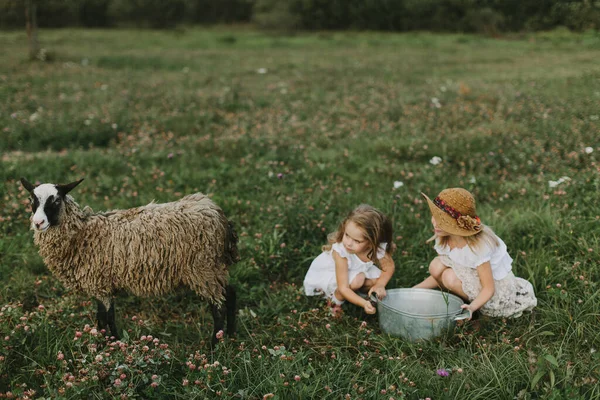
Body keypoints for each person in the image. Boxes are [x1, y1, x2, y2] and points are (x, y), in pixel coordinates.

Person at [414, 188, 537, 319]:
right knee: (437, 265)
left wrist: (472, 307)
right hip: (471, 274)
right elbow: (437, 275)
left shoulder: (477, 247)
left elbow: (489, 288)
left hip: (494, 288)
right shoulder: (443, 235)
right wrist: (415, 290)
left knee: (449, 277)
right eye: (435, 216)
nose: (436, 224)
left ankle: (480, 311)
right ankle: (459, 298)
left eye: (443, 222)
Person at [303, 204, 396, 315]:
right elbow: (343, 288)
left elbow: (389, 267)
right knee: (358, 280)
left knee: (376, 280)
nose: (348, 243)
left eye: (357, 241)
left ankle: (360, 293)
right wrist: (363, 304)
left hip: (355, 273)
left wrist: (380, 284)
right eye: (347, 235)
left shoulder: (377, 248)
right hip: (332, 275)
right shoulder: (341, 252)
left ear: (372, 243)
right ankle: (334, 303)